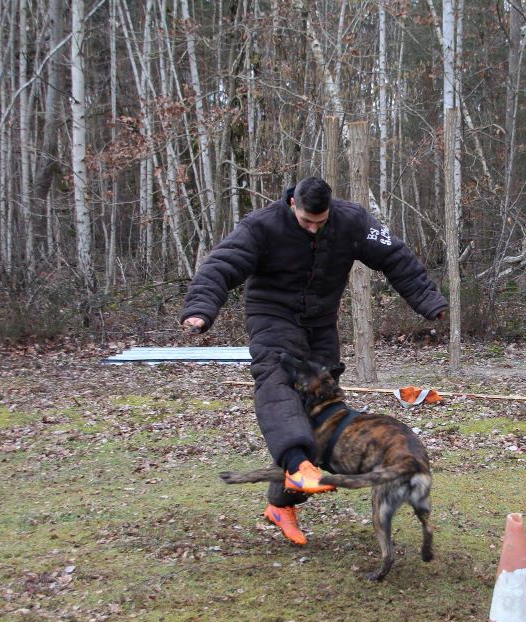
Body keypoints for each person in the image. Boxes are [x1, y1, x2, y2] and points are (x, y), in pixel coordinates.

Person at [181, 176, 447, 545]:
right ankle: (296, 466)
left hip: (320, 324)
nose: (313, 228)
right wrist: (199, 310)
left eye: (320, 223)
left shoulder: (351, 222)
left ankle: (281, 505)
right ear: (292, 204)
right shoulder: (260, 227)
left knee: (319, 413)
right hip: (272, 317)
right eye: (307, 222)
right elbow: (221, 266)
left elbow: (396, 257)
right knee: (278, 382)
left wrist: (429, 301)